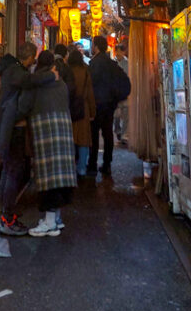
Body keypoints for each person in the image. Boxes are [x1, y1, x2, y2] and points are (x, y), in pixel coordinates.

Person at [17, 50, 77, 236]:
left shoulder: (35, 83)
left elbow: (23, 106)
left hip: (44, 132)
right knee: (59, 176)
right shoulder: (61, 84)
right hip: (64, 131)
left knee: (48, 176)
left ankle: (50, 222)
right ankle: (56, 219)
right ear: (52, 65)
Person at [0, 41, 50, 236]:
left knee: (8, 171)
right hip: (13, 129)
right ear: (29, 57)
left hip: (6, 127)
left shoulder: (11, 70)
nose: (33, 61)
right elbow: (29, 85)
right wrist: (51, 76)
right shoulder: (17, 72)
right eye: (33, 57)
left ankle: (5, 215)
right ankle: (7, 219)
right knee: (12, 171)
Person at [87, 34, 131, 177]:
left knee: (94, 135)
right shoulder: (112, 64)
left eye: (93, 44)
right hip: (109, 105)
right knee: (108, 134)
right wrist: (116, 98)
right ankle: (107, 164)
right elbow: (125, 81)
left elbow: (90, 85)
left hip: (96, 105)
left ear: (97, 46)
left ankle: (92, 165)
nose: (92, 47)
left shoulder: (93, 64)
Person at [67, 43, 96, 176]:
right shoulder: (86, 71)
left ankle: (69, 168)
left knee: (70, 138)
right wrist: (92, 111)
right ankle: (82, 168)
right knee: (83, 140)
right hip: (83, 108)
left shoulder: (66, 71)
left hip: (68, 107)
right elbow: (90, 93)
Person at [113, 41, 129, 144]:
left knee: (126, 113)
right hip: (115, 94)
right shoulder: (112, 63)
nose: (118, 54)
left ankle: (124, 134)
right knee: (116, 115)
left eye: (120, 52)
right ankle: (118, 130)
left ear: (124, 52)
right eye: (117, 52)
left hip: (125, 93)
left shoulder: (128, 63)